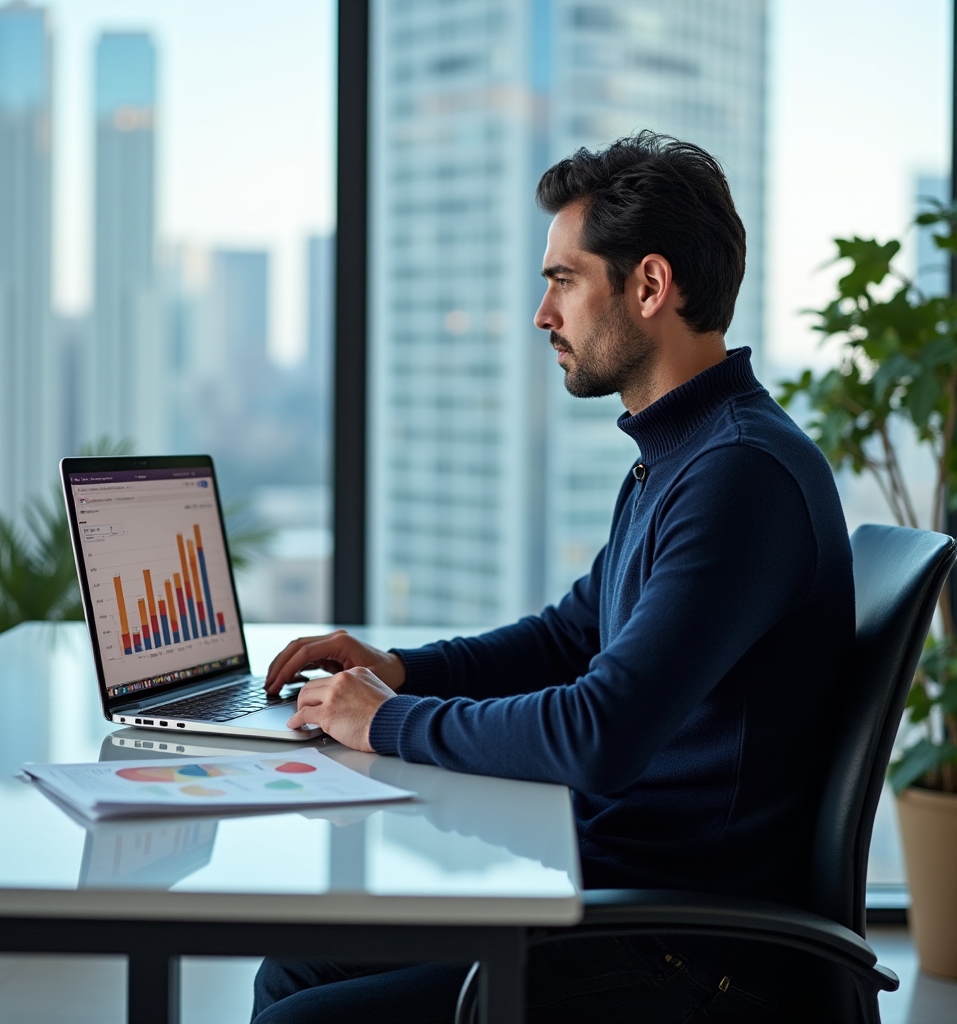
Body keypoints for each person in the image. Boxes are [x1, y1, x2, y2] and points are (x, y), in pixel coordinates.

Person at [250, 132, 853, 1023]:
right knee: (294, 967)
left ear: (649, 286)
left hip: (687, 953)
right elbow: (570, 635)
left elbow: (598, 734)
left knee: (303, 1018)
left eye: (564, 280)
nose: (542, 314)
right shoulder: (682, 456)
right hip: (616, 896)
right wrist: (402, 670)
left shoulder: (739, 478)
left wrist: (387, 720)